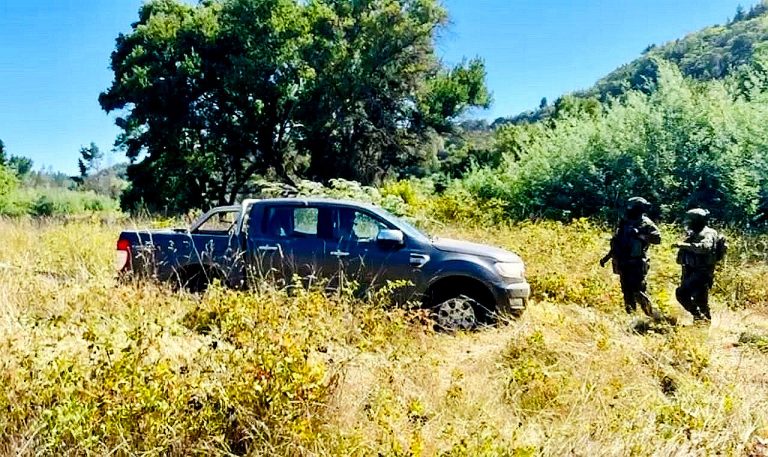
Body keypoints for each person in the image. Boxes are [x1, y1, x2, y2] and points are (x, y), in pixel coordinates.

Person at [600, 197, 663, 320]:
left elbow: (657, 239)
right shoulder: (624, 222)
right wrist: (606, 257)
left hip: (637, 262)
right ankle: (631, 318)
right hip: (623, 262)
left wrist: (640, 234)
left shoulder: (646, 223)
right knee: (627, 291)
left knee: (638, 291)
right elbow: (617, 242)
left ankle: (653, 316)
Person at [673, 208, 722, 324]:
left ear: (697, 221)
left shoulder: (708, 233)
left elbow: (705, 248)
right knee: (692, 297)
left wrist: (684, 245)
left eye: (690, 220)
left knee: (688, 295)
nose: (688, 223)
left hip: (702, 272)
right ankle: (700, 319)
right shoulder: (695, 233)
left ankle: (702, 321)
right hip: (691, 270)